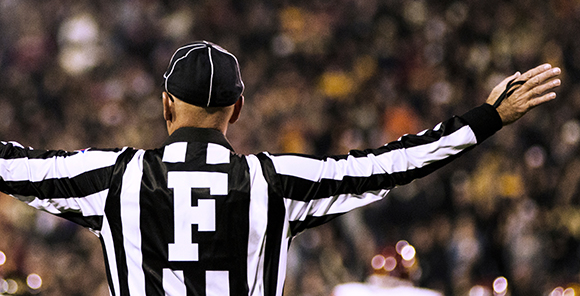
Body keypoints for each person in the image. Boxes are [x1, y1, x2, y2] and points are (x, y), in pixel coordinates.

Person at [0, 40, 561, 296]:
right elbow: (391, 165)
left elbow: (12, 166)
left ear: (165, 104)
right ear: (238, 110)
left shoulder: (115, 178)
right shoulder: (274, 183)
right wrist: (487, 118)